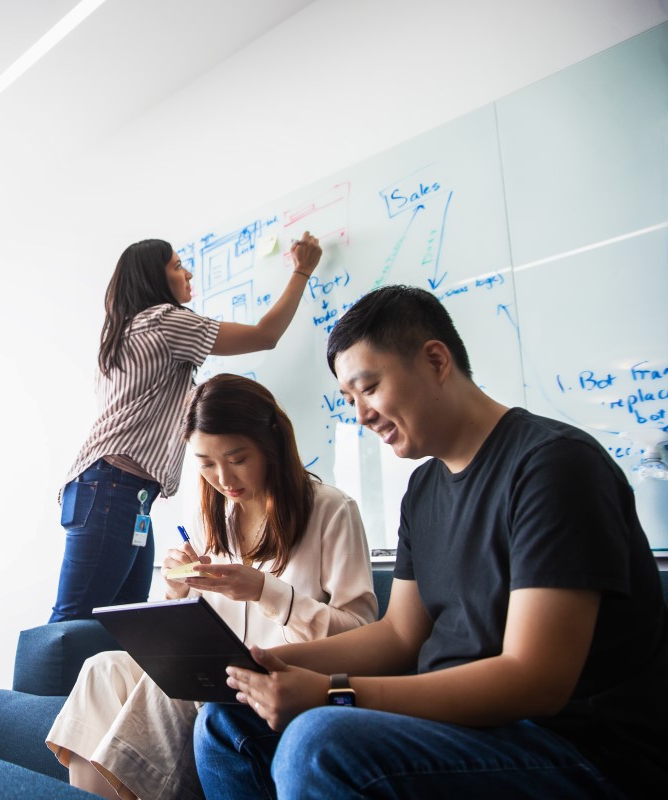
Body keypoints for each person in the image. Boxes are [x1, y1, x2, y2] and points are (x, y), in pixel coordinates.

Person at [193, 286, 668, 799]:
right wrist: (274, 664)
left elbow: (536, 679)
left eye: (369, 388)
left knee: (318, 740)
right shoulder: (422, 490)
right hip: (461, 733)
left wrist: (334, 693)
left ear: (436, 360)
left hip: (570, 749)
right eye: (350, 401)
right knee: (226, 718)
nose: (361, 415)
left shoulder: (554, 466)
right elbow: (399, 635)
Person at [47, 374, 376, 800]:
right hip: (214, 675)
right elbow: (189, 625)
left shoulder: (331, 511)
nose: (223, 478)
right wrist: (175, 588)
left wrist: (265, 590)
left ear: (270, 444)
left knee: (178, 684)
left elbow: (361, 634)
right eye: (206, 463)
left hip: (278, 679)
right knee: (102, 669)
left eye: (237, 458)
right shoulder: (213, 518)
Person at [50, 233, 324, 622]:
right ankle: (44, 686)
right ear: (154, 280)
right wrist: (302, 270)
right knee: (75, 621)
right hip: (113, 488)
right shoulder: (164, 321)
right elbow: (265, 335)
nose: (189, 273)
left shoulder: (122, 334)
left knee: (119, 621)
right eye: (178, 266)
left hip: (116, 490)